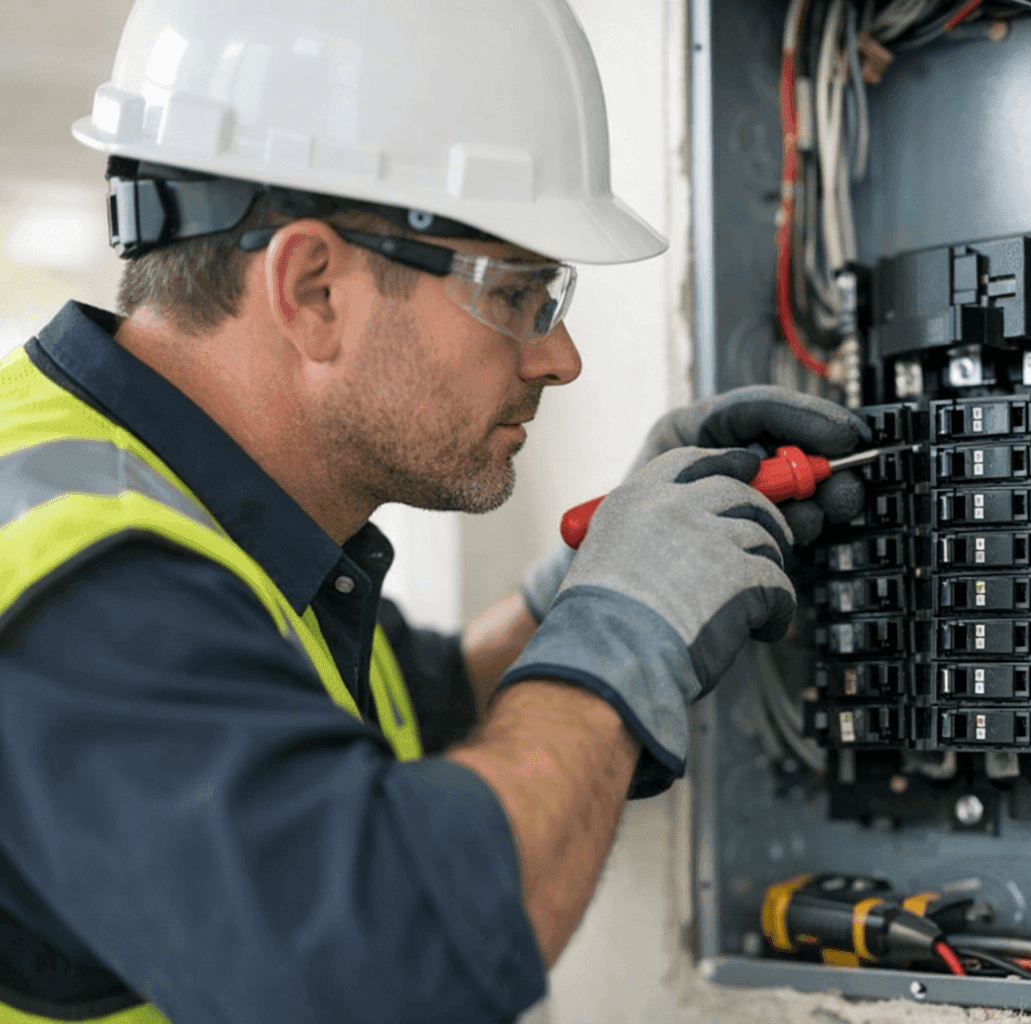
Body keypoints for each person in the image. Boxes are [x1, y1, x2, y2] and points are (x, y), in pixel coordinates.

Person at [0, 2, 865, 1022]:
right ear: (313, 287)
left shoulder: (174, 510)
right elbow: (390, 958)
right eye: (517, 293)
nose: (560, 355)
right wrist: (622, 635)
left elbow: (398, 707)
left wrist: (592, 581)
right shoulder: (83, 585)